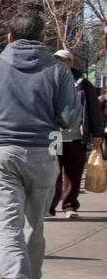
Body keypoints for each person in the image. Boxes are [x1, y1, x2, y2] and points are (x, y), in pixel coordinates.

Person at [0, 6, 77, 279]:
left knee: (7, 226)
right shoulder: (58, 71)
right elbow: (69, 119)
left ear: (10, 37)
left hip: (1, 153)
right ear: (43, 38)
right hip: (44, 154)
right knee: (33, 224)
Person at [48, 49, 104, 220]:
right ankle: (48, 206)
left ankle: (69, 205)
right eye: (56, 60)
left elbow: (94, 110)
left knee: (73, 173)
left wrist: (97, 133)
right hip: (53, 136)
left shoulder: (83, 83)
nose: (60, 63)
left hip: (77, 136)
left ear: (71, 62)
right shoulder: (47, 81)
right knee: (51, 173)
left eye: (63, 60)